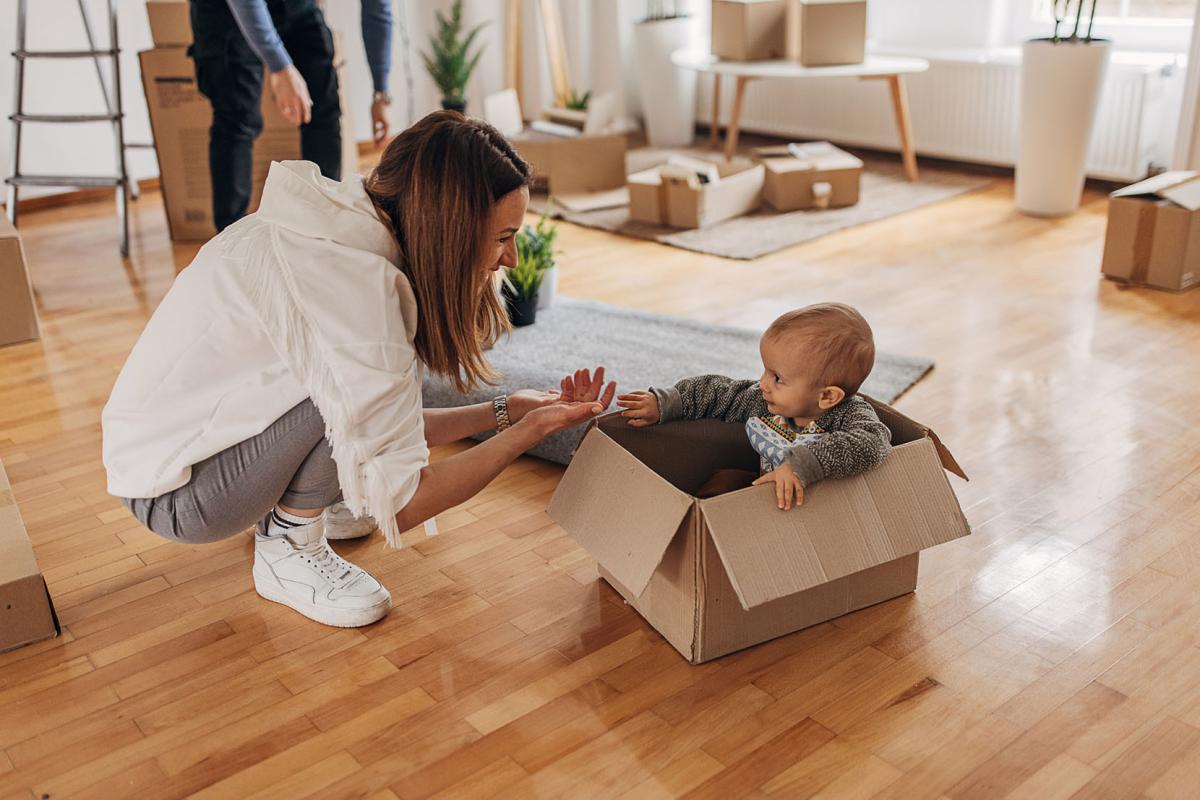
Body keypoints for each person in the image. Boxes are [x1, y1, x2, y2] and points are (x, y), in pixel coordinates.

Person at [101, 111, 616, 628]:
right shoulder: (358, 293)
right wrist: (527, 433)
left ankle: (308, 503)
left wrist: (504, 411)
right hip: (180, 496)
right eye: (503, 236)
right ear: (451, 230)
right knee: (339, 394)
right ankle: (288, 545)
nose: (511, 258)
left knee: (352, 403)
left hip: (174, 459)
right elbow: (406, 502)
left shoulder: (337, 226)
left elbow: (386, 429)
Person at [615, 303, 891, 509]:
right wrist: (666, 402)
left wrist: (803, 464)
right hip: (768, 499)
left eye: (777, 378)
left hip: (822, 510)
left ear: (828, 397)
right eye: (766, 371)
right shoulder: (763, 402)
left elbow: (873, 442)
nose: (763, 383)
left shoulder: (850, 415)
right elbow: (719, 392)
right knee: (724, 483)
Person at [190, 0, 395, 232]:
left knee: (323, 106)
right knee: (238, 118)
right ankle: (231, 237)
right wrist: (280, 66)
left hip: (297, 7)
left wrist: (381, 93)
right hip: (227, 12)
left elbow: (378, 10)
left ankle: (325, 225)